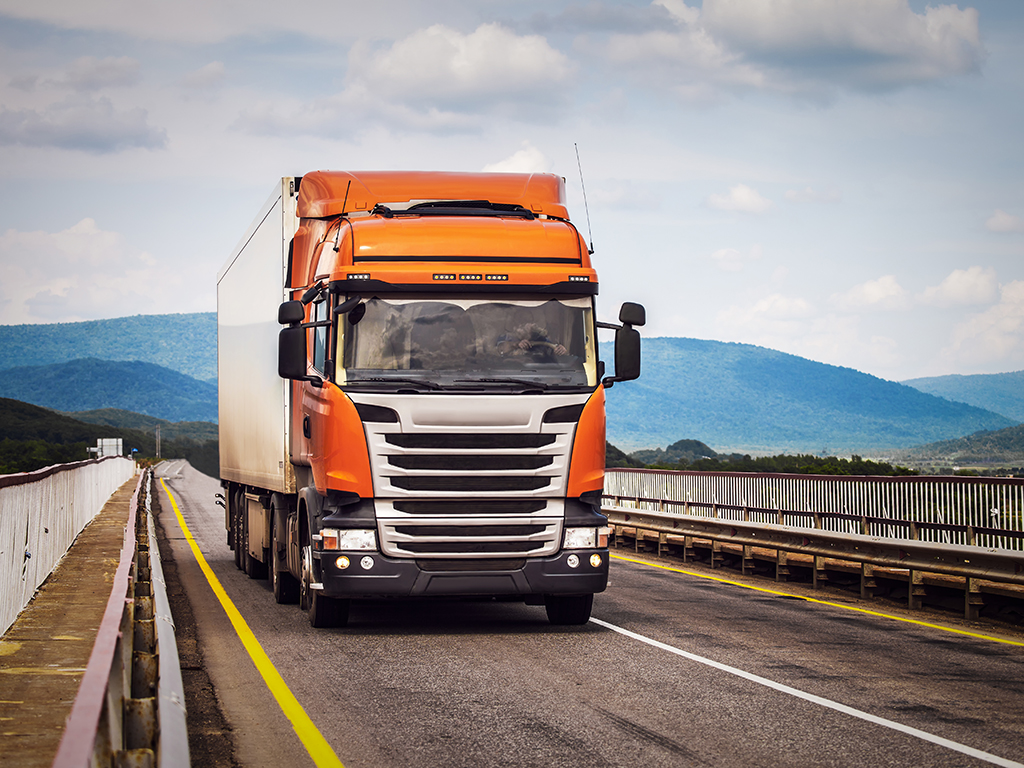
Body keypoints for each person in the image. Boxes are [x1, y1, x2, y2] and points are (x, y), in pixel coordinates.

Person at [496, 322, 566, 359]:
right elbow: (501, 351)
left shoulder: (543, 342)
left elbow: (553, 357)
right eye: (521, 326)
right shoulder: (507, 337)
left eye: (524, 329)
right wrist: (517, 345)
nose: (519, 328)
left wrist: (560, 350)